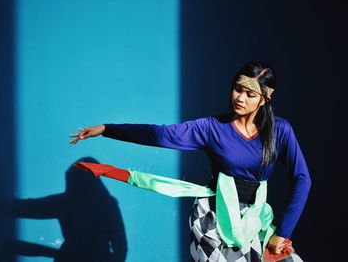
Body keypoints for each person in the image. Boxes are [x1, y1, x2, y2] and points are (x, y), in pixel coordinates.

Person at [69, 61, 311, 261]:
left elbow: (302, 179)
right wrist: (106, 129)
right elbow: (161, 134)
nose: (240, 98)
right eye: (238, 89)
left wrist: (284, 232)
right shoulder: (211, 128)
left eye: (250, 94)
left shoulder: (280, 131)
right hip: (213, 219)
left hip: (255, 219)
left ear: (264, 100)